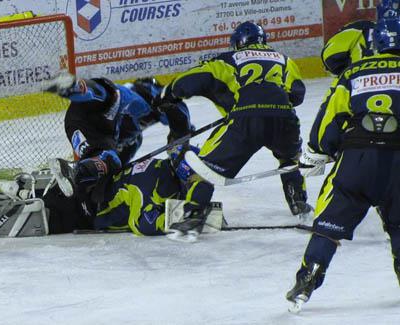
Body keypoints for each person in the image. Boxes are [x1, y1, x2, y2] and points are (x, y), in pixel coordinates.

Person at [285, 16, 400, 313]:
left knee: (328, 227)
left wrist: (316, 153)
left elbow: (329, 119)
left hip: (356, 162)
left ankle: (308, 275)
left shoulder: (354, 72)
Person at [158, 21, 310, 241]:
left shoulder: (227, 59)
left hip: (246, 120)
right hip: (285, 119)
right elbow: (298, 94)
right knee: (290, 158)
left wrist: (169, 93)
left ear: (237, 42)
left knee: (203, 167)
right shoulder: (284, 59)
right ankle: (299, 203)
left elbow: (191, 80)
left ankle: (193, 216)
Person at [0, 152, 221, 237]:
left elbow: (144, 221)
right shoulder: (161, 182)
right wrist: (201, 216)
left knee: (19, 207)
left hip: (80, 200)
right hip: (81, 205)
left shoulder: (161, 168)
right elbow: (144, 223)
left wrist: (204, 215)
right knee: (7, 216)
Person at [44, 73, 191, 204]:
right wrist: (181, 142)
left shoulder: (133, 140)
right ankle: (74, 87)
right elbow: (179, 117)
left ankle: (74, 177)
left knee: (109, 163)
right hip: (93, 112)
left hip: (83, 127)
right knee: (109, 95)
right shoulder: (146, 95)